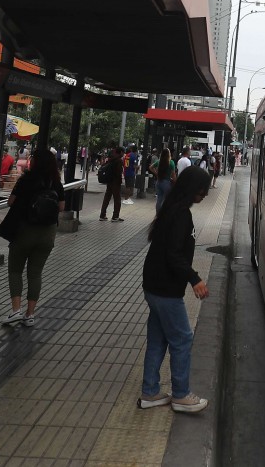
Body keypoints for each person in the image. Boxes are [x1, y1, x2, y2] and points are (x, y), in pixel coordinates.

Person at [137, 165, 212, 413]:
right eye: (202, 191)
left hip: (154, 285)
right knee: (182, 338)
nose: (204, 195)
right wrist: (195, 279)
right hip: (165, 288)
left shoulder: (171, 208)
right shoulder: (181, 214)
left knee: (158, 339)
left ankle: (150, 392)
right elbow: (174, 254)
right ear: (192, 189)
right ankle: (181, 394)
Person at [0, 149, 65, 328]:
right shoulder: (55, 182)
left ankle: (16, 311)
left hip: (24, 231)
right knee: (35, 274)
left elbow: (11, 201)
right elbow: (61, 207)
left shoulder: (26, 180)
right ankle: (30, 314)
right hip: (47, 234)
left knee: (15, 271)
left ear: (35, 162)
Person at [100, 146, 124, 221]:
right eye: (123, 152)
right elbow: (118, 172)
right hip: (116, 182)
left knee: (107, 198)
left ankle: (102, 215)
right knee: (117, 199)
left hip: (109, 181)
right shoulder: (119, 160)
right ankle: (115, 216)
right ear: (121, 152)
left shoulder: (110, 159)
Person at [149, 147, 177, 212]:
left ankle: (157, 213)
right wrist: (175, 181)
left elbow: (150, 167)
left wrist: (156, 173)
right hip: (166, 183)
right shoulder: (171, 162)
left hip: (158, 182)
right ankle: (164, 214)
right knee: (166, 200)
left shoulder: (159, 161)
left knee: (159, 199)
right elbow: (173, 174)